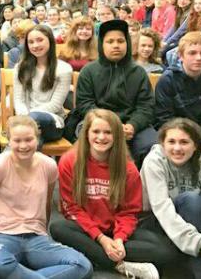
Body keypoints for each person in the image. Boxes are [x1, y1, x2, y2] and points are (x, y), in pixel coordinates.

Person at [0, 115, 92, 279]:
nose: (23, 146)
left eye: (29, 140)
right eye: (17, 141)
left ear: (37, 139)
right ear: (9, 141)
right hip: (1, 235)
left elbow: (46, 203)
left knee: (83, 265)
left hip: (36, 238)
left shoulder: (49, 165)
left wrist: (43, 233)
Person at [51, 109, 174, 279]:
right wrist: (101, 239)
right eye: (96, 131)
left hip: (115, 229)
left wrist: (118, 240)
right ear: (86, 133)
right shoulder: (69, 161)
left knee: (166, 250)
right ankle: (121, 265)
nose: (101, 137)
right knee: (57, 228)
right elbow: (71, 209)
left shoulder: (128, 168)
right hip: (85, 229)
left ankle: (96, 256)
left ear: (116, 135)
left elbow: (129, 212)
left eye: (108, 132)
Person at [141, 118, 201, 278]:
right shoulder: (154, 161)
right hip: (158, 223)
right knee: (192, 200)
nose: (177, 148)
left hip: (198, 224)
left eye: (184, 142)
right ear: (163, 144)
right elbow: (162, 209)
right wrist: (199, 243)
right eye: (171, 142)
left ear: (196, 145)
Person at [65, 20, 157, 169]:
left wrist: (133, 125)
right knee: (90, 142)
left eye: (120, 41)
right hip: (96, 121)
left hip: (131, 124)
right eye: (110, 41)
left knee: (151, 146)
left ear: (127, 43)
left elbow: (146, 106)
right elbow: (85, 104)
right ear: (102, 44)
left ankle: (136, 187)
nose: (116, 45)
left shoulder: (138, 73)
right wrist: (111, 125)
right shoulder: (89, 71)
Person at [154, 32, 201, 156]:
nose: (199, 58)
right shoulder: (167, 80)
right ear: (181, 56)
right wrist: (194, 143)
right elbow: (164, 119)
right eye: (192, 53)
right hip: (174, 134)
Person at [13, 25, 72, 146]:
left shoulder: (63, 69)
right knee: (31, 140)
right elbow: (18, 100)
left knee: (31, 125)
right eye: (31, 42)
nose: (35, 45)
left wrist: (28, 117)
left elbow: (55, 105)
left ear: (50, 40)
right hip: (26, 122)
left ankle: (8, 162)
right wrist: (25, 117)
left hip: (53, 121)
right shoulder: (21, 67)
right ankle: (24, 164)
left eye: (40, 40)